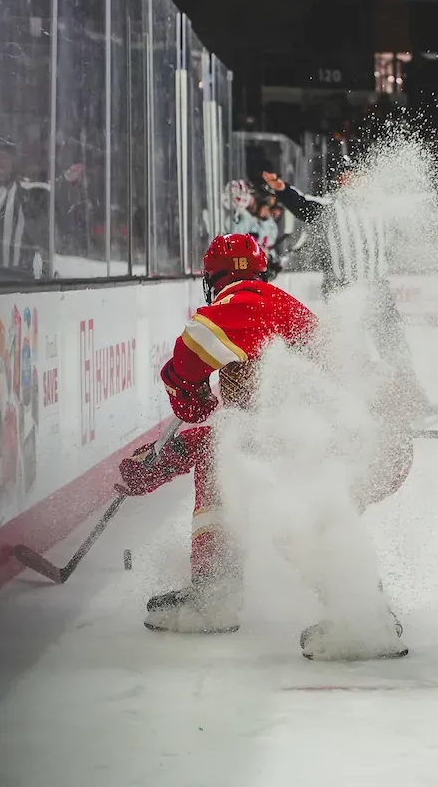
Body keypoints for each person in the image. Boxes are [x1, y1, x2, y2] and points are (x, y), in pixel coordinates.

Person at [114, 233, 410, 659]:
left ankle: (365, 618)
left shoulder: (244, 302)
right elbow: (232, 434)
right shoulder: (274, 302)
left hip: (351, 442)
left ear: (211, 277)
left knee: (291, 498)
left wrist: (189, 400)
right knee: (232, 464)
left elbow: (188, 356)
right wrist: (169, 456)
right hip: (365, 438)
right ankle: (215, 591)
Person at [261, 162, 438, 424]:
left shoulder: (382, 208)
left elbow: (414, 204)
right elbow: (301, 204)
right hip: (343, 291)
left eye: (359, 177)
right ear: (341, 183)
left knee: (395, 348)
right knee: (349, 352)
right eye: (349, 178)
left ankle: (413, 403)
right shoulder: (329, 209)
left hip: (377, 290)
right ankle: (354, 410)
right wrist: (282, 189)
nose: (356, 182)